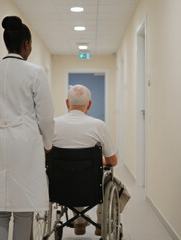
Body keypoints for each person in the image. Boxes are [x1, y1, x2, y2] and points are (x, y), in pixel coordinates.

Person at [0, 16, 54, 240]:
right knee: (23, 211)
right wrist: (47, 143)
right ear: (26, 44)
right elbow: (46, 116)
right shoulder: (35, 72)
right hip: (25, 146)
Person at [53, 84, 118, 236]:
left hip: (59, 188)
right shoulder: (99, 126)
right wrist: (98, 161)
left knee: (71, 175)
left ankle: (79, 222)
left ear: (67, 103)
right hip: (91, 188)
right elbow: (113, 161)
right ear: (89, 104)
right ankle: (101, 222)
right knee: (105, 178)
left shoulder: (53, 124)